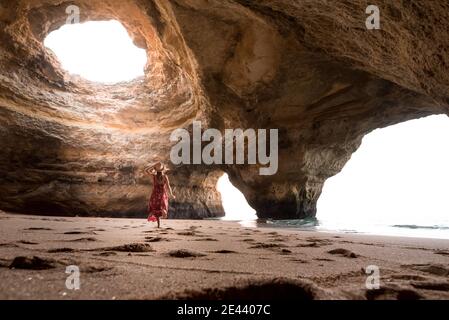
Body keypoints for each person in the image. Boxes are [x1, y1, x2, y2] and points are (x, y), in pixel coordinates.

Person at [144, 162, 175, 228]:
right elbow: (168, 186)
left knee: (155, 208)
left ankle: (157, 223)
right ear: (163, 169)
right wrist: (171, 194)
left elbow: (146, 170)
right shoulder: (165, 177)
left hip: (155, 194)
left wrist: (153, 166)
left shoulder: (154, 176)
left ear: (155, 169)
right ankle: (162, 216)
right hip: (162, 194)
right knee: (163, 207)